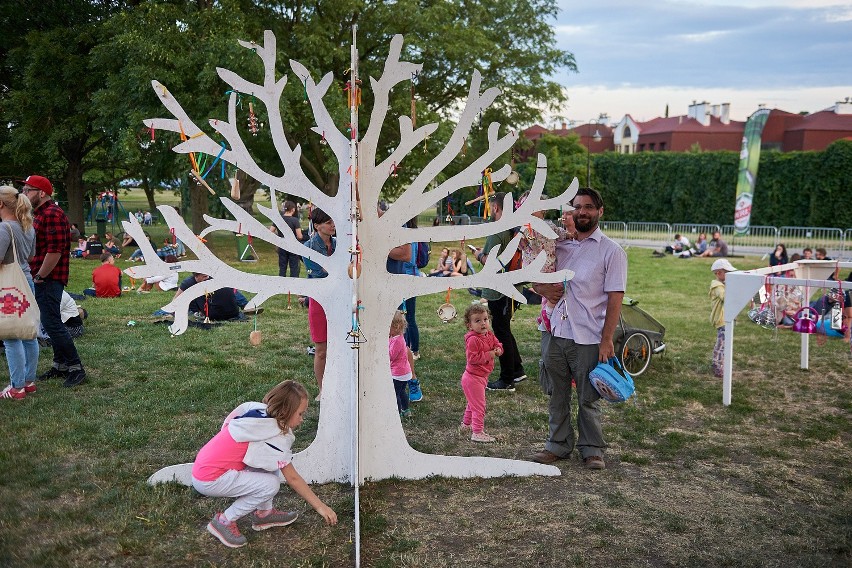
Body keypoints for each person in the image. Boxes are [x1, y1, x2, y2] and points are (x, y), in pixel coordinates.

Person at [531, 187, 627, 470]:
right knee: (556, 393)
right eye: (577, 207)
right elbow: (535, 276)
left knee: (588, 396)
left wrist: (607, 339)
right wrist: (541, 288)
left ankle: (592, 449)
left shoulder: (612, 252)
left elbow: (616, 298)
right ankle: (557, 445)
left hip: (587, 335)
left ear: (600, 211)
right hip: (554, 333)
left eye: (588, 207)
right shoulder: (557, 245)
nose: (582, 212)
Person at [191, 380, 337, 548]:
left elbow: (230, 421)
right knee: (271, 485)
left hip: (202, 468)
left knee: (272, 463)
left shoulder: (256, 411)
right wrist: (320, 507)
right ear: (286, 411)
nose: (302, 419)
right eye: (300, 414)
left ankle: (264, 513)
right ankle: (224, 521)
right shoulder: (275, 437)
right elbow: (293, 478)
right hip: (210, 480)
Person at [23, 175, 87, 388]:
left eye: (28, 190)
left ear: (41, 193)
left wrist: (40, 276)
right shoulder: (40, 213)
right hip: (42, 278)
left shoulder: (52, 213)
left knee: (52, 323)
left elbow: (56, 251)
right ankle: (60, 365)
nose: (24, 193)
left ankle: (76, 367)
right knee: (51, 322)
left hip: (48, 279)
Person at [472, 192, 526, 391]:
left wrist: (478, 254)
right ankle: (517, 370)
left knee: (501, 333)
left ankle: (507, 379)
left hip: (500, 290)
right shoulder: (515, 228)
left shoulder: (499, 231)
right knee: (505, 329)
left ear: (495, 208)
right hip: (513, 287)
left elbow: (491, 262)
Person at [0, 185, 39, 400]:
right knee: (28, 333)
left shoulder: (5, 228)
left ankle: (16, 387)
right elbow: (30, 256)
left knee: (11, 336)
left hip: (9, 286)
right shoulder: (28, 226)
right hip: (27, 282)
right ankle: (29, 381)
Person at [517, 190, 575, 332]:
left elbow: (559, 233)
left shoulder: (549, 225)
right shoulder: (527, 228)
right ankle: (546, 315)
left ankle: (544, 313)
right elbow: (523, 243)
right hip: (537, 269)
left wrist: (569, 235)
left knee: (551, 291)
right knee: (556, 292)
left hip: (549, 267)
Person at [303, 208, 336, 401]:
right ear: (317, 226)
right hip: (319, 301)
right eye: (328, 222)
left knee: (340, 346)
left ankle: (338, 382)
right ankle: (323, 389)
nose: (333, 225)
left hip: (339, 300)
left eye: (333, 222)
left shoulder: (339, 244)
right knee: (321, 349)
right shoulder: (308, 247)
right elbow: (319, 273)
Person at [459, 304, 504, 443]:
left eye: (485, 319)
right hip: (472, 378)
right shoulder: (473, 339)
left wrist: (498, 349)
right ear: (469, 325)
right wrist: (490, 354)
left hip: (481, 377)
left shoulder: (489, 335)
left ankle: (466, 425)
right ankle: (477, 432)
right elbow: (472, 359)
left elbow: (499, 345)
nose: (483, 323)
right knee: (479, 406)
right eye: (477, 320)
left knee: (472, 403)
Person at [709, 258, 737, 378]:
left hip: (726, 318)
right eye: (727, 273)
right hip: (722, 320)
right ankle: (717, 366)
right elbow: (726, 297)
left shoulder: (722, 284)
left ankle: (723, 364)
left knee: (725, 343)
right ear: (719, 273)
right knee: (721, 345)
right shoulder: (717, 286)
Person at [174, 273, 241, 321]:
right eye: (204, 276)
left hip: (218, 312)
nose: (207, 278)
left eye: (207, 276)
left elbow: (231, 294)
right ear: (196, 276)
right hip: (230, 312)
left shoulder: (215, 279)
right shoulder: (188, 283)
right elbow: (176, 299)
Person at [389, 311, 417, 418]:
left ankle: (398, 412)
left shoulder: (396, 341)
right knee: (402, 392)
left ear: (396, 327)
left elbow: (391, 356)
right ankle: (406, 410)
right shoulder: (398, 337)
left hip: (397, 373)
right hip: (404, 372)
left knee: (395, 394)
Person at [276, 200, 304, 278]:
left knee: (282, 267)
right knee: (294, 267)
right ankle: (293, 284)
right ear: (293, 209)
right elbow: (299, 236)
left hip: (281, 245)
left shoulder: (279, 219)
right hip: (292, 246)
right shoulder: (295, 220)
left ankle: (281, 283)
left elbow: (271, 231)